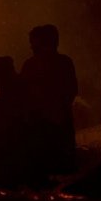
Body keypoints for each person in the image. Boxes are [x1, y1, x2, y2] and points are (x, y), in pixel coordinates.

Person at [19, 24, 78, 175]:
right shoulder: (63, 62)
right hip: (48, 121)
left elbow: (70, 90)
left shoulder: (34, 65)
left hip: (51, 123)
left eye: (34, 42)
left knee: (52, 163)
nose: (31, 46)